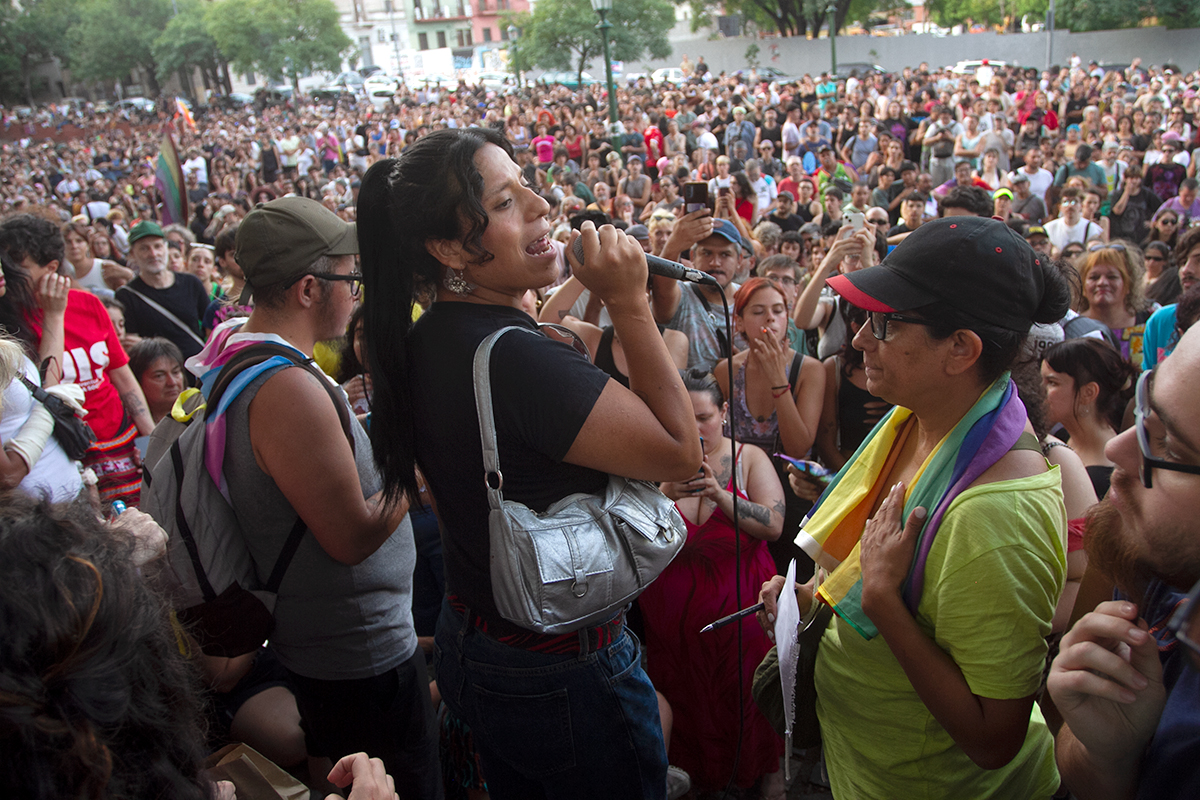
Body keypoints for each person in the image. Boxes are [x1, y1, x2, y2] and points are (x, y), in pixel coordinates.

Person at [356, 127, 702, 799]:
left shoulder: (429, 337)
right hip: (563, 676)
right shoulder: (517, 359)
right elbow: (679, 452)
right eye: (509, 202)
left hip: (483, 640)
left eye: (529, 186)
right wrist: (631, 300)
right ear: (452, 248)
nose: (544, 205)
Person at [759, 216, 1071, 798]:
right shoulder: (915, 415)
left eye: (886, 323)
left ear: (960, 348)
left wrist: (881, 602)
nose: (858, 340)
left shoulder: (996, 513)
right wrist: (810, 605)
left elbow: (993, 738)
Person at [202, 196, 440, 797]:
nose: (357, 292)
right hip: (357, 658)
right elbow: (350, 536)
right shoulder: (288, 387)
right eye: (351, 278)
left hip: (342, 647)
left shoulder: (238, 350)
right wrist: (413, 475)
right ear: (309, 288)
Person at [1047, 322, 1200, 799]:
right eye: (1144, 410)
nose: (1117, 447)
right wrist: (1109, 756)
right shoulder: (1151, 564)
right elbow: (1079, 761)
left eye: (1170, 447)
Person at [640, 369, 785, 798]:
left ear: (723, 412)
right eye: (683, 415)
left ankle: (763, 774)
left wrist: (722, 496)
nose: (694, 426)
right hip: (672, 623)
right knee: (683, 699)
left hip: (739, 621)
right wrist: (664, 491)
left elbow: (774, 524)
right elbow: (632, 535)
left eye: (703, 416)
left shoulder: (748, 458)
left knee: (745, 698)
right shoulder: (653, 463)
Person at [0, 215, 154, 506]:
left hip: (120, 440)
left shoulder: (89, 304)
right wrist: (53, 316)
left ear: (51, 269)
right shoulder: (10, 326)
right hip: (68, 449)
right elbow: (48, 387)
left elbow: (122, 376)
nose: (8, 274)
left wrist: (149, 440)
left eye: (18, 266)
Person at [1041, 338, 1138, 499]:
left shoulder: (1105, 479)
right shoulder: (1062, 435)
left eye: (1052, 382)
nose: (1040, 390)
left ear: (1088, 393)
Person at [115, 221, 209, 361]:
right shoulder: (126, 296)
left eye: (157, 246)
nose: (153, 254)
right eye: (144, 249)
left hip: (197, 370)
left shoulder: (191, 283)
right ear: (133, 254)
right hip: (159, 373)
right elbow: (130, 342)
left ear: (166, 247)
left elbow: (212, 327)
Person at [1077, 241, 1158, 368]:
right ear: (1083, 287)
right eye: (1094, 277)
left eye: (1112, 277)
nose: (1102, 282)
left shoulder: (1151, 322)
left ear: (1128, 285)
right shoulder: (1072, 327)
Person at [1142, 225, 1200, 371]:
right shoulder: (1161, 320)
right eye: (1183, 262)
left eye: (1199, 261)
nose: (1186, 270)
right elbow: (1148, 386)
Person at [127, 337, 185, 425]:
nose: (172, 382)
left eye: (175, 372)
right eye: (159, 376)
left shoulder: (200, 411)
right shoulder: (123, 425)